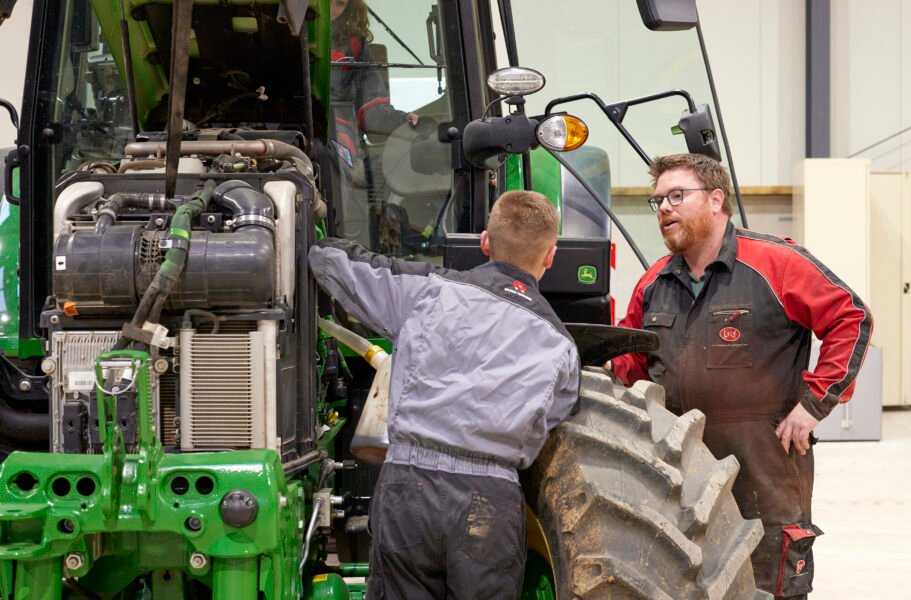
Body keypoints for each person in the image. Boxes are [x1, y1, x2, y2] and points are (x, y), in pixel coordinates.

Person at [610, 153, 873, 599]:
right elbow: (629, 363)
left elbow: (852, 319)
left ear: (716, 200)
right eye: (658, 201)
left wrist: (812, 406)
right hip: (679, 464)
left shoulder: (775, 263)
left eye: (677, 195)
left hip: (764, 462)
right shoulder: (654, 282)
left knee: (771, 579)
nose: (665, 208)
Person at [309, 190, 581, 599]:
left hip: (409, 488)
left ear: (485, 242)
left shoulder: (428, 291)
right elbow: (558, 413)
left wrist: (308, 215)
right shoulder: (561, 346)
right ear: (550, 256)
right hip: (491, 502)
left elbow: (332, 263)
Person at [330, 0, 417, 137]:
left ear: (349, 6)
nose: (331, 8)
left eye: (340, 3)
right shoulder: (288, 34)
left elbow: (370, 109)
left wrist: (401, 120)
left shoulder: (355, 46)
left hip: (339, 139)